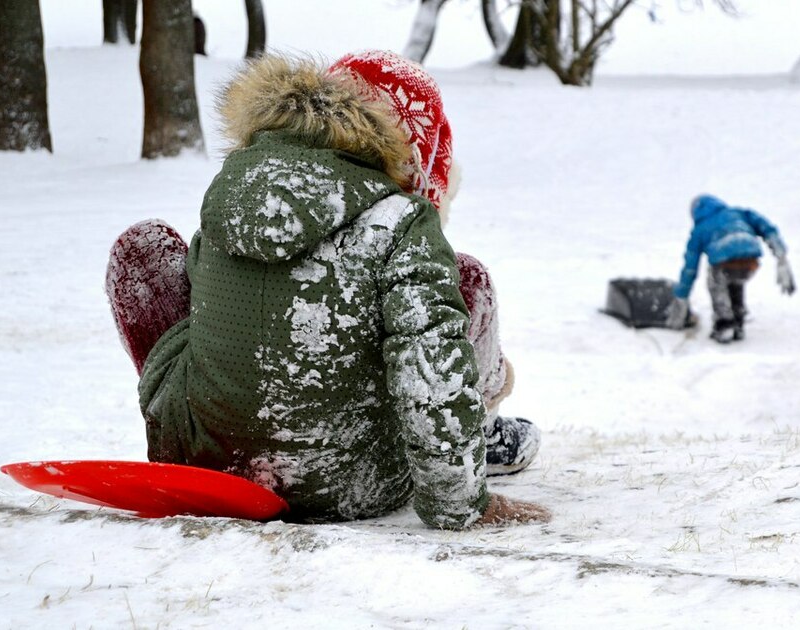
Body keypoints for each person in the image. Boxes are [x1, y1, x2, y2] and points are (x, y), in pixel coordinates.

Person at [104, 51, 547, 529]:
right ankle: (479, 434)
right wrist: (460, 504)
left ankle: (195, 442)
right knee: (463, 279)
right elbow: (428, 369)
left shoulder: (232, 189)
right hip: (351, 483)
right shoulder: (400, 220)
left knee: (144, 249)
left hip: (210, 462)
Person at [665, 194, 796, 343]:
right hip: (750, 262)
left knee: (716, 283)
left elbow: (690, 268)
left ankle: (725, 323)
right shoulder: (739, 213)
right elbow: (768, 229)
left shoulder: (700, 229)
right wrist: (781, 258)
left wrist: (682, 296)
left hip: (724, 264)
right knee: (736, 281)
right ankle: (738, 322)